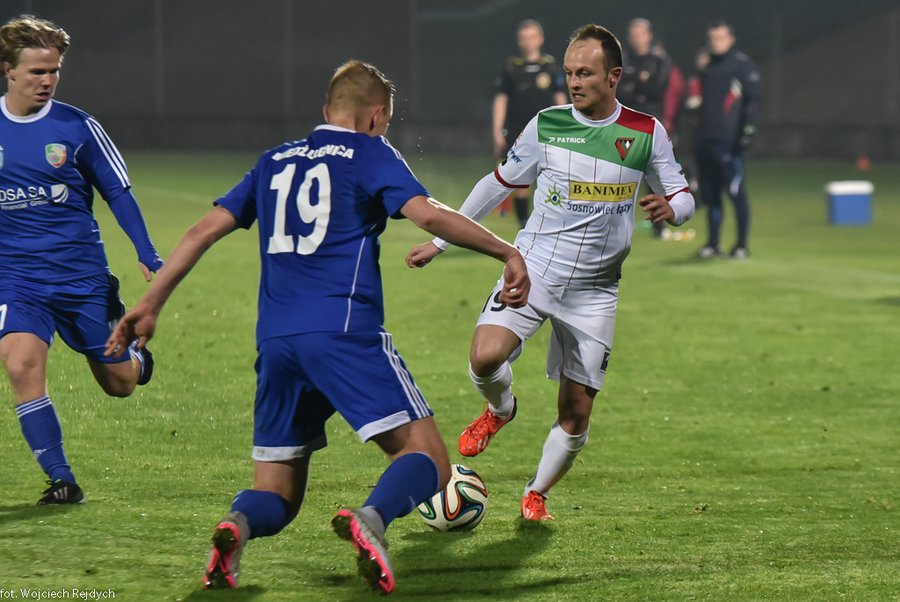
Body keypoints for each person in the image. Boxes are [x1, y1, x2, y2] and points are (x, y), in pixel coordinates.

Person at [105, 60, 529, 594]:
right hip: (343, 333)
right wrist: (507, 251)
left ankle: (237, 526)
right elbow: (427, 214)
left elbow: (201, 231)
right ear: (375, 117)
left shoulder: (273, 161)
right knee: (427, 459)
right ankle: (372, 519)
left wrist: (150, 303)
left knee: (277, 495)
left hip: (277, 344)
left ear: (326, 110)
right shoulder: (369, 152)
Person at [407, 24, 695, 521]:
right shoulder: (547, 125)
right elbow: (497, 183)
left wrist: (674, 210)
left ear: (614, 77)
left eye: (585, 73)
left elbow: (683, 194)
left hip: (596, 292)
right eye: (569, 73)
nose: (574, 82)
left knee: (576, 413)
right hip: (535, 270)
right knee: (484, 357)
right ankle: (500, 410)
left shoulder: (646, 132)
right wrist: (440, 241)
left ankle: (536, 491)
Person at [0, 15, 161, 505]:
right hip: (16, 279)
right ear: (8, 70)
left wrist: (146, 251)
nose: (47, 80)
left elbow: (118, 191)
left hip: (80, 277)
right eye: (36, 71)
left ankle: (136, 359)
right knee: (20, 364)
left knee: (120, 384)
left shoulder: (78, 127)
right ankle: (61, 479)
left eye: (54, 70)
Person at [694, 20, 761, 259]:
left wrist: (748, 131)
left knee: (735, 192)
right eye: (712, 38)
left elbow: (753, 101)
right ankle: (713, 244)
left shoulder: (741, 65)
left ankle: (741, 244)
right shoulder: (707, 66)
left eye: (720, 38)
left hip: (728, 142)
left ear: (731, 39)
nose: (716, 43)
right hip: (706, 140)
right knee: (711, 194)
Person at [493, 19, 567, 229]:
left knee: (551, 177)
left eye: (532, 37)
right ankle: (523, 225)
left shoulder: (550, 65)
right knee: (520, 180)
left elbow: (560, 97)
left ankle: (550, 222)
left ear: (540, 39)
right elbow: (501, 99)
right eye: (523, 38)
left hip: (547, 130)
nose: (528, 42)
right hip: (518, 130)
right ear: (519, 41)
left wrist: (565, 126)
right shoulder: (511, 67)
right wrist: (497, 130)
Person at [617, 17, 679, 239]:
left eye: (641, 34)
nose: (637, 38)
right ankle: (615, 223)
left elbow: (658, 91)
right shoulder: (623, 60)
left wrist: (635, 83)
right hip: (626, 124)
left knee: (654, 175)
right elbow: (618, 91)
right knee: (620, 172)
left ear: (649, 35)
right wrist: (640, 82)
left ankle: (658, 226)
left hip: (651, 124)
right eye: (633, 34)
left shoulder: (659, 60)